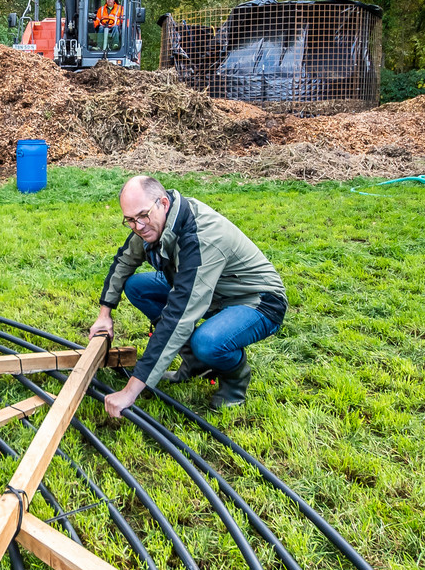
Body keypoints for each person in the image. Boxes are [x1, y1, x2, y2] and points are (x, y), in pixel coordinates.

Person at [89, 176, 285, 415]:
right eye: (130, 220)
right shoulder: (157, 221)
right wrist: (104, 313)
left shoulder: (200, 237)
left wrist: (130, 392)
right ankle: (197, 364)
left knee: (207, 342)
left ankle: (235, 382)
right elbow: (124, 261)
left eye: (142, 216)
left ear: (163, 202)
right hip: (211, 291)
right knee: (138, 287)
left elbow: (179, 316)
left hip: (256, 300)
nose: (138, 226)